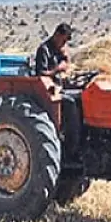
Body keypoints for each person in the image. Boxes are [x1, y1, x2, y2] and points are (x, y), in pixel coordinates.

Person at [34, 23, 80, 158]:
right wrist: (56, 70)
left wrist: (65, 57)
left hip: (58, 88)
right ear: (57, 35)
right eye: (64, 40)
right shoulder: (44, 50)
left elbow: (66, 62)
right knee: (70, 103)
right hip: (47, 91)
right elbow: (41, 74)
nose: (64, 43)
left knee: (80, 97)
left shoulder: (58, 49)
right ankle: (71, 147)